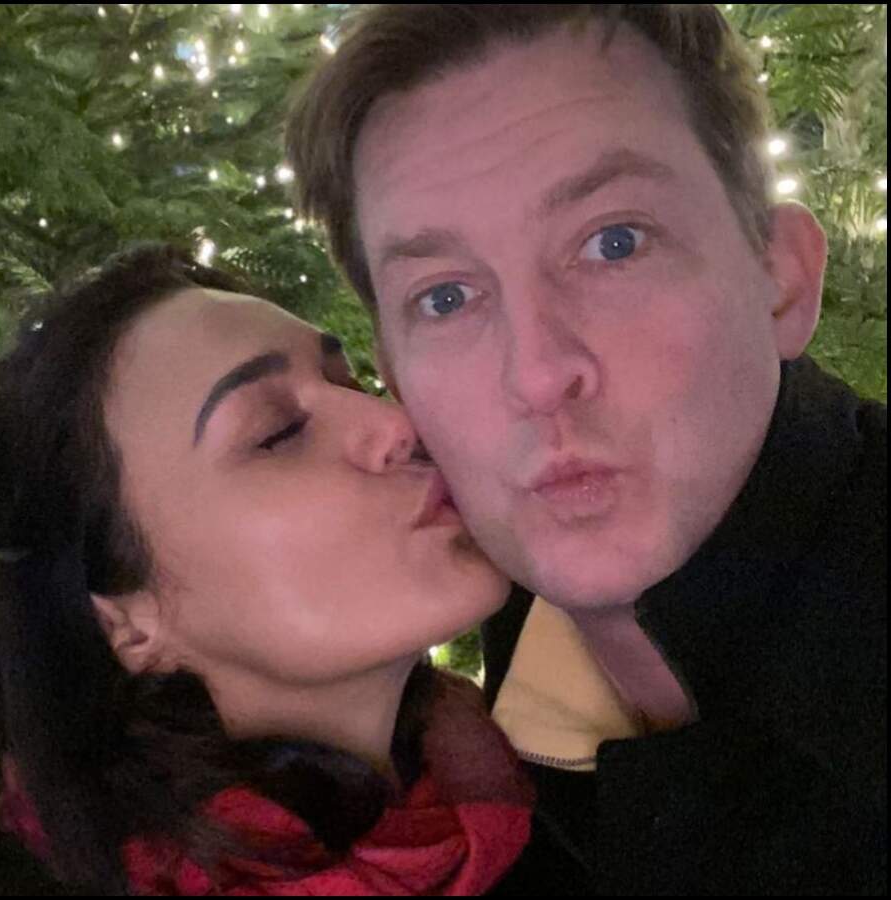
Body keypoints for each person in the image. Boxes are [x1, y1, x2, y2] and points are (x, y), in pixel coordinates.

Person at [286, 3, 886, 894]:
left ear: (782, 281)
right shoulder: (476, 784)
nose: (536, 375)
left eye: (614, 243)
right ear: (400, 384)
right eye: (445, 298)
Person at [0, 242, 547, 895]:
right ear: (127, 623)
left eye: (353, 381)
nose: (396, 422)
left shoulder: (549, 778)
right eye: (278, 433)